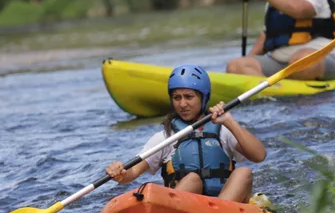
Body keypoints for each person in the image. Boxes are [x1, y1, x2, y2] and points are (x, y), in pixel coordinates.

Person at [105, 64, 266, 203]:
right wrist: (119, 173)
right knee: (192, 179)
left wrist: (229, 121)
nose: (182, 104)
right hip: (184, 208)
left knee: (243, 173)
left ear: (203, 98)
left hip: (225, 204)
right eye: (177, 97)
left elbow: (259, 156)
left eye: (189, 97)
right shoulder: (166, 137)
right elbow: (132, 173)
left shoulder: (223, 130)